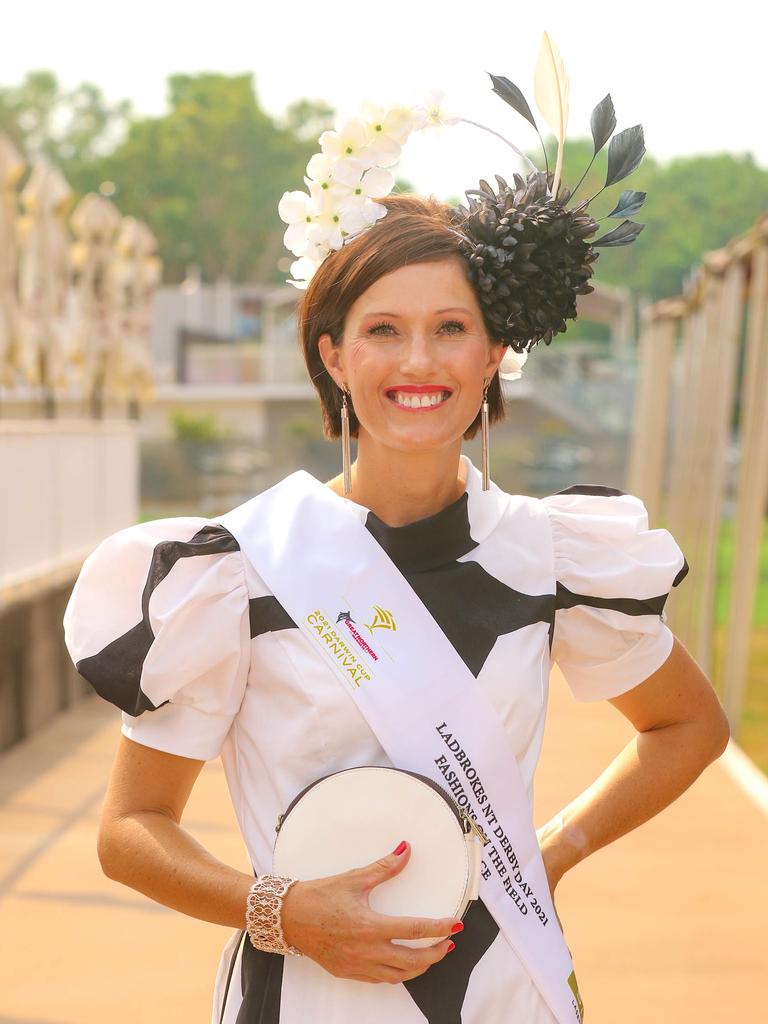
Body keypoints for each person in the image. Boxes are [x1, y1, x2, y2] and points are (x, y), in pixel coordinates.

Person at [63, 50, 731, 1024]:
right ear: (333, 354)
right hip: (302, 998)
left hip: (506, 989)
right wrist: (282, 911)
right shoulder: (240, 567)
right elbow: (129, 828)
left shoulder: (553, 555)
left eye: (450, 327)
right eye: (382, 330)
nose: (417, 362)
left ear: (494, 349)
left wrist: (545, 853)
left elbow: (691, 728)